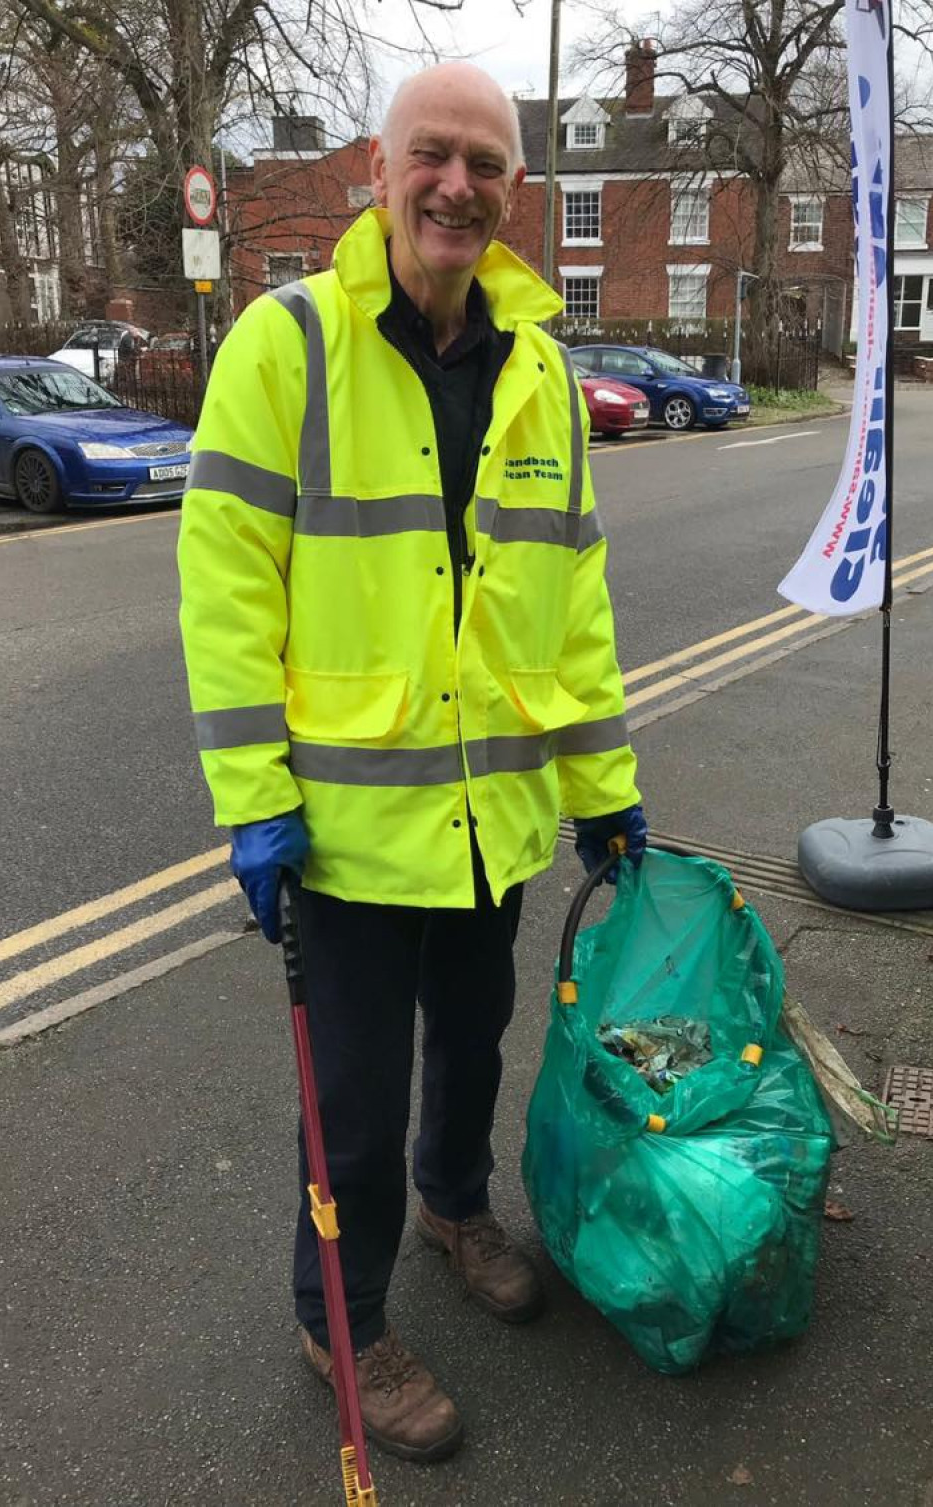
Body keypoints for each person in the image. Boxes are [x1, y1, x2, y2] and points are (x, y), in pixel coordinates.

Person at [177, 60, 646, 1464]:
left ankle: (458, 1206)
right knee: (356, 1108)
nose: (457, 184)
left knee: (476, 1049)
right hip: (347, 835)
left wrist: (603, 786)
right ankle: (342, 1318)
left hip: (489, 819)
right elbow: (226, 584)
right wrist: (254, 804)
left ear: (514, 193)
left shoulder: (546, 374)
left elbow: (573, 599)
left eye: (485, 164)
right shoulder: (291, 344)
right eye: (431, 155)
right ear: (377, 174)